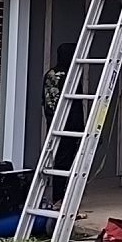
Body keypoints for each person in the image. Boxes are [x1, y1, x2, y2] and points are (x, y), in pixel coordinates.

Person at [42, 43, 83, 203]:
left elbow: (44, 101)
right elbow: (76, 104)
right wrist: (81, 127)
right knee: (65, 160)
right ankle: (60, 196)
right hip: (69, 125)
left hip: (53, 123)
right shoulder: (71, 75)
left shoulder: (49, 74)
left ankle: (57, 194)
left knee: (57, 158)